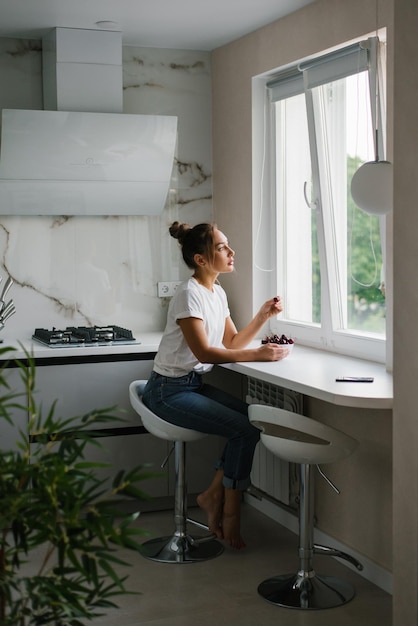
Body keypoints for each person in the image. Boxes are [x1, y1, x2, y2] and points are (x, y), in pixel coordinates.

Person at [142, 221, 289, 549]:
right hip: (167, 391)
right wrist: (261, 355)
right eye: (222, 247)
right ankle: (230, 513)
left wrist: (263, 316)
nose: (231, 251)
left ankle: (211, 496)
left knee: (251, 420)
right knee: (245, 429)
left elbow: (233, 343)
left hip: (189, 385)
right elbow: (205, 352)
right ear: (201, 260)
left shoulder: (216, 292)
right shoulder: (187, 295)